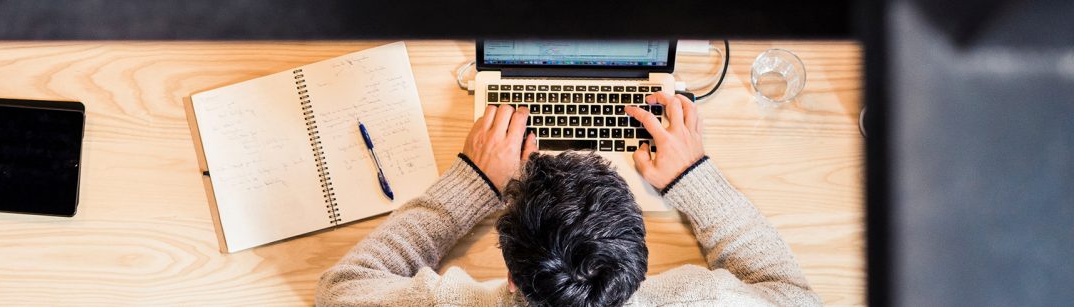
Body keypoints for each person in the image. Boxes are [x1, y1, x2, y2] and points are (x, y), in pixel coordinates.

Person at [316, 92, 822, 306]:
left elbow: (342, 289)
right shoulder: (704, 300)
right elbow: (791, 293)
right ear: (637, 262)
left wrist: (473, 182)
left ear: (512, 279)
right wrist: (692, 177)